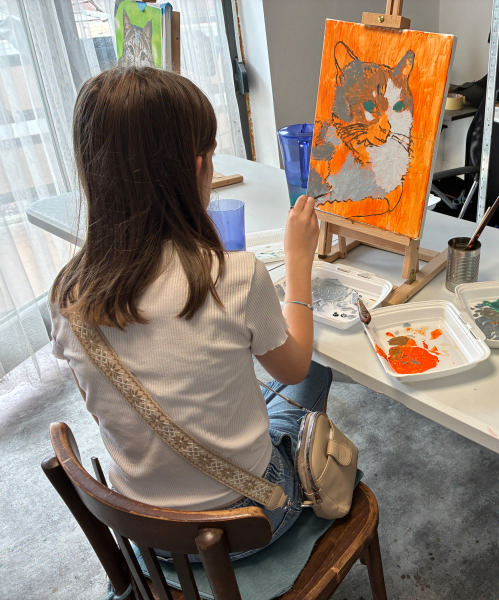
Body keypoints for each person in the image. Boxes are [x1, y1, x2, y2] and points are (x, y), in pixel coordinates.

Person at [49, 66, 331, 546]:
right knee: (314, 377)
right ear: (198, 167)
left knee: (248, 394)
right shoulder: (235, 276)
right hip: (246, 524)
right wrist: (298, 260)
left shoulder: (66, 294)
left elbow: (106, 409)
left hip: (144, 528)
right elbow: (294, 368)